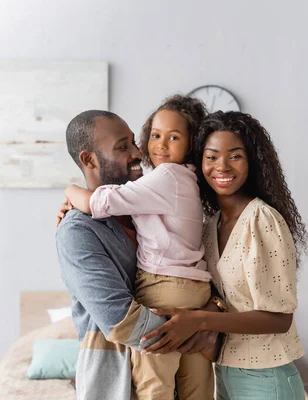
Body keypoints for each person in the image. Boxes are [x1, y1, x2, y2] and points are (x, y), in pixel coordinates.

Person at [140, 111, 308, 400]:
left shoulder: (262, 220)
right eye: (212, 156)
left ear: (252, 161)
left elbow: (279, 318)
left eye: (235, 156)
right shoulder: (210, 224)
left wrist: (199, 320)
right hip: (223, 372)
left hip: (266, 378)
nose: (222, 166)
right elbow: (226, 297)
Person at [56, 109, 221, 400]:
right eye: (123, 146)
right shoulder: (77, 231)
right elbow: (120, 320)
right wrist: (197, 328)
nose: (138, 152)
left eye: (134, 142)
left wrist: (209, 315)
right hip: (117, 383)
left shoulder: (146, 210)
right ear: (89, 159)